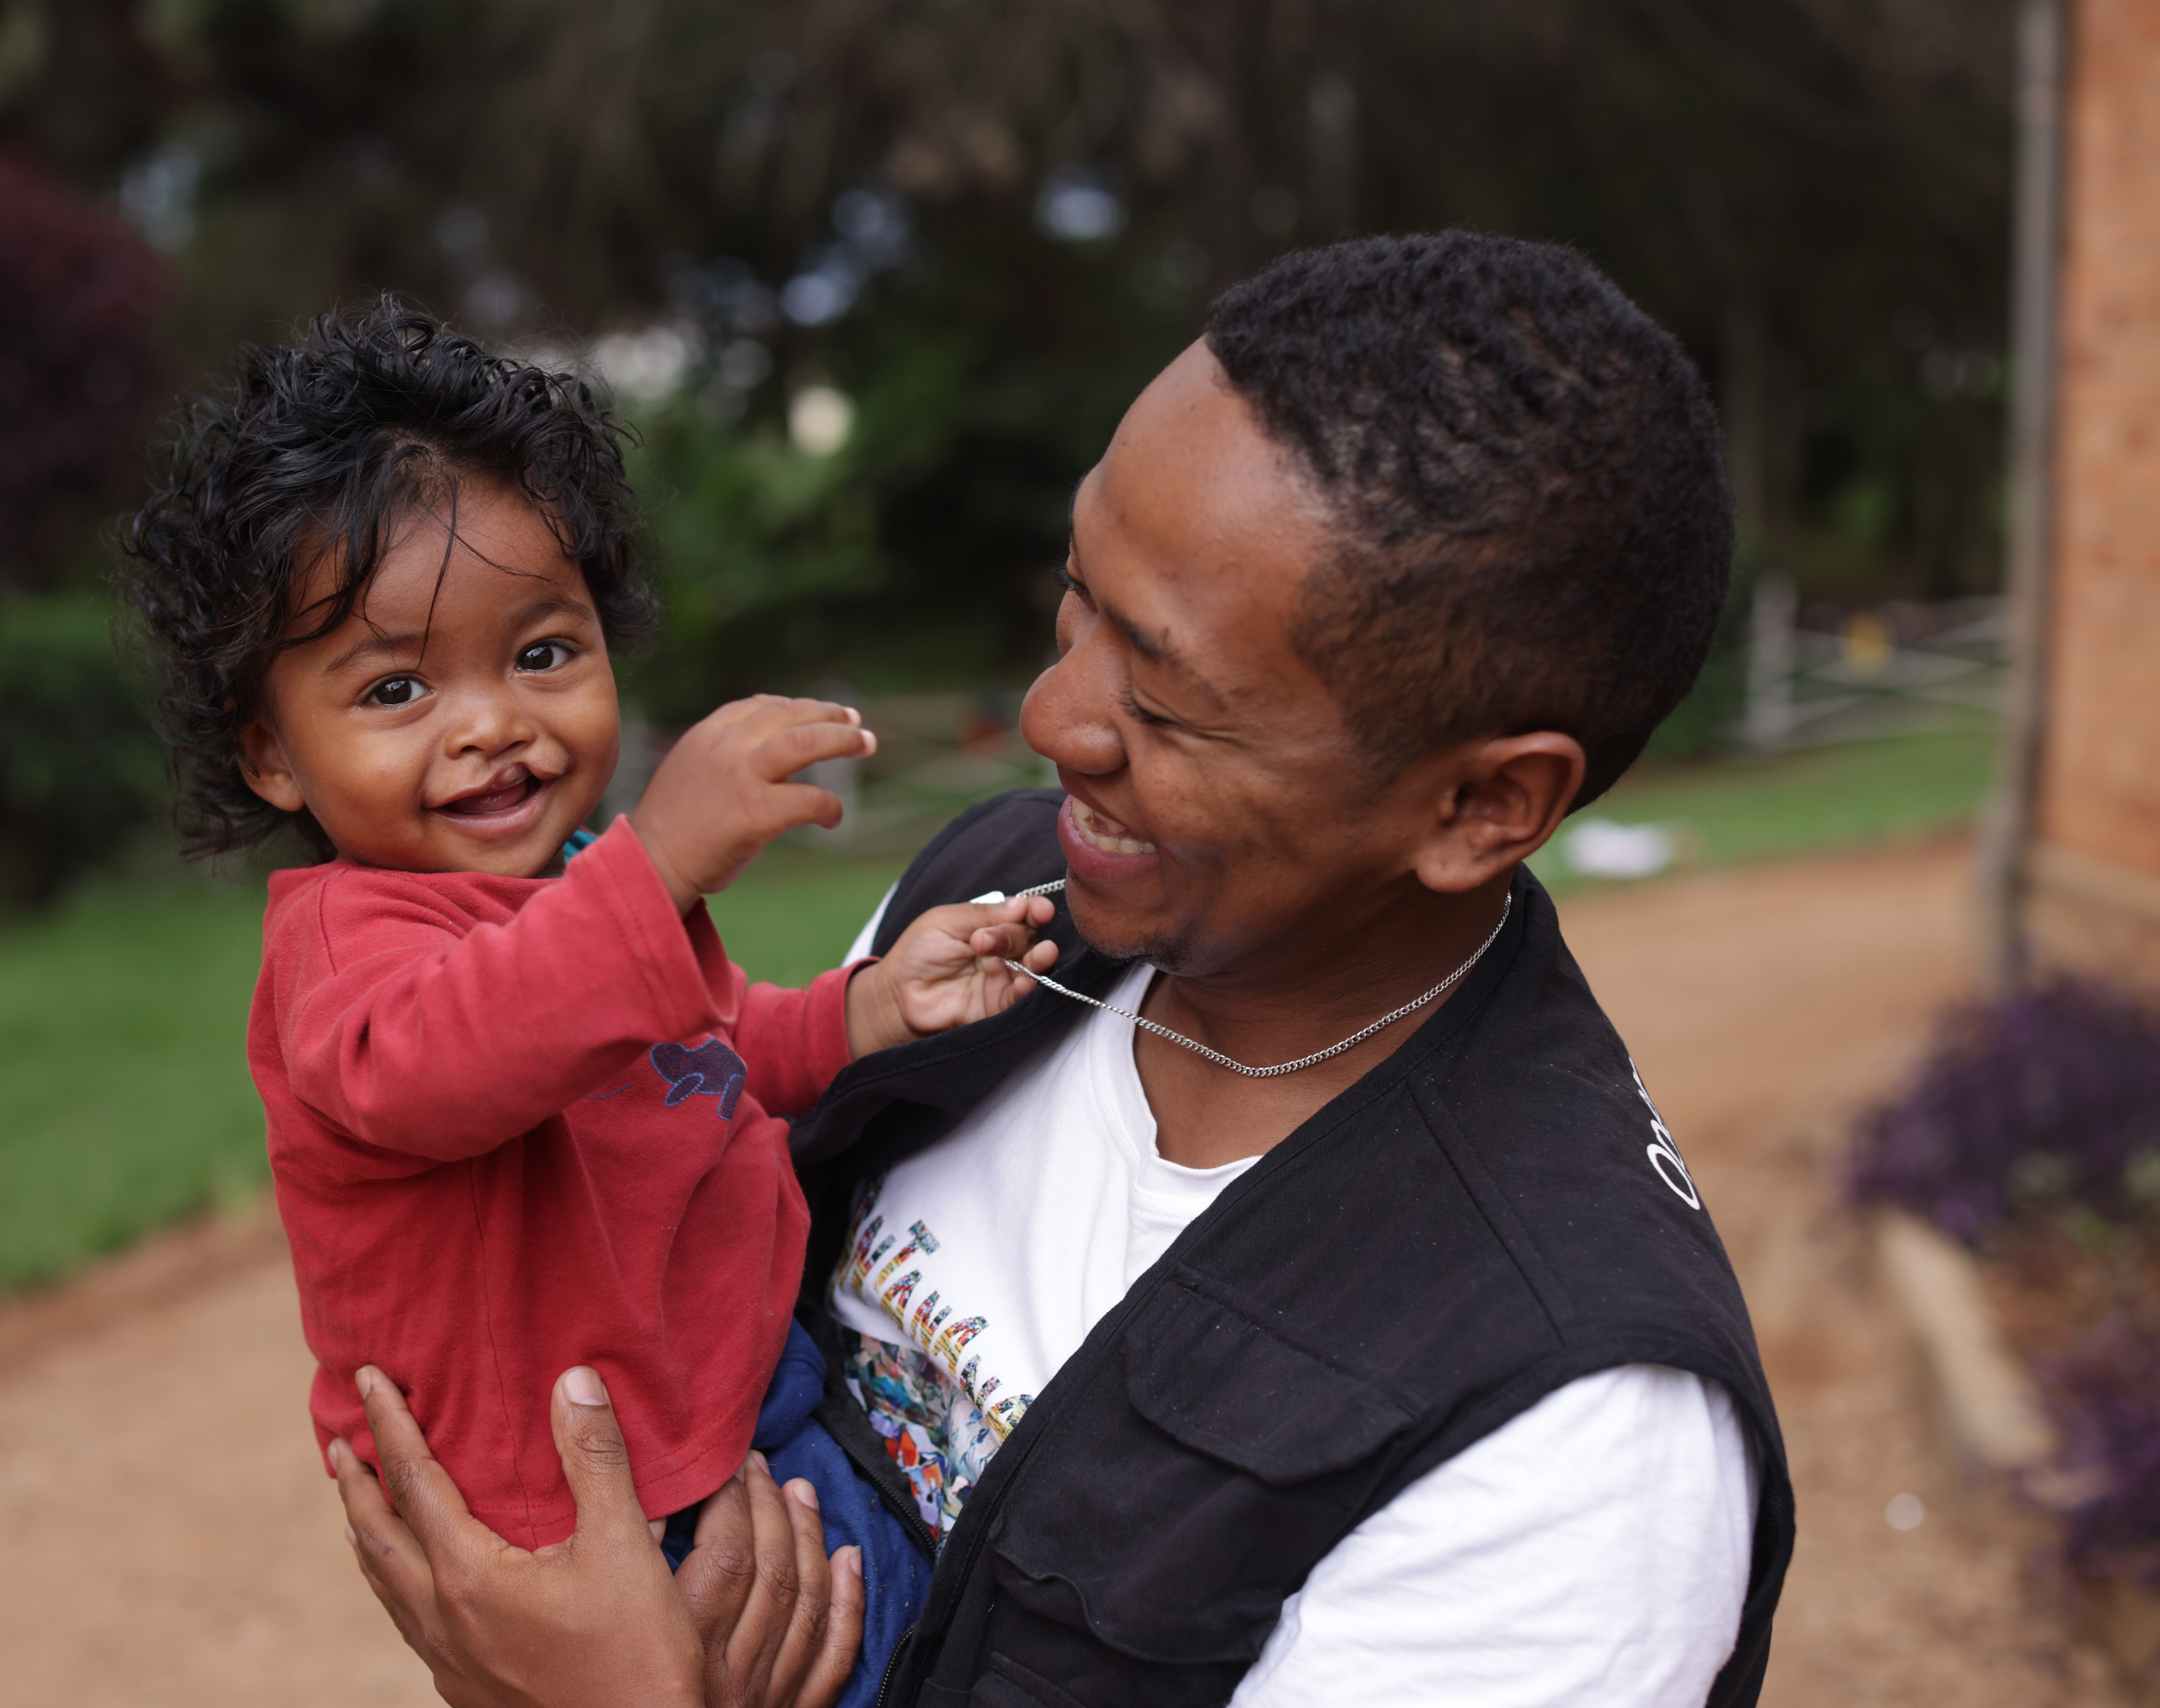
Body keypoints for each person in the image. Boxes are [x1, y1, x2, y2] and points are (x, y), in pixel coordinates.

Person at [328, 232, 1795, 1708]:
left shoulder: (1572, 1441)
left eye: (1166, 699)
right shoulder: (995, 888)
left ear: (1481, 806)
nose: (1051, 716)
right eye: (1077, 594)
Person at [119, 303, 1069, 1706]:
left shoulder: (582, 892)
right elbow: (449, 1061)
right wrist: (657, 864)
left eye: (542, 654)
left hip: (740, 1420)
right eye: (397, 686)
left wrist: (863, 1010)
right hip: (597, 1529)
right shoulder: (351, 946)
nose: (492, 722)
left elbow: (707, 1050)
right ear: (270, 753)